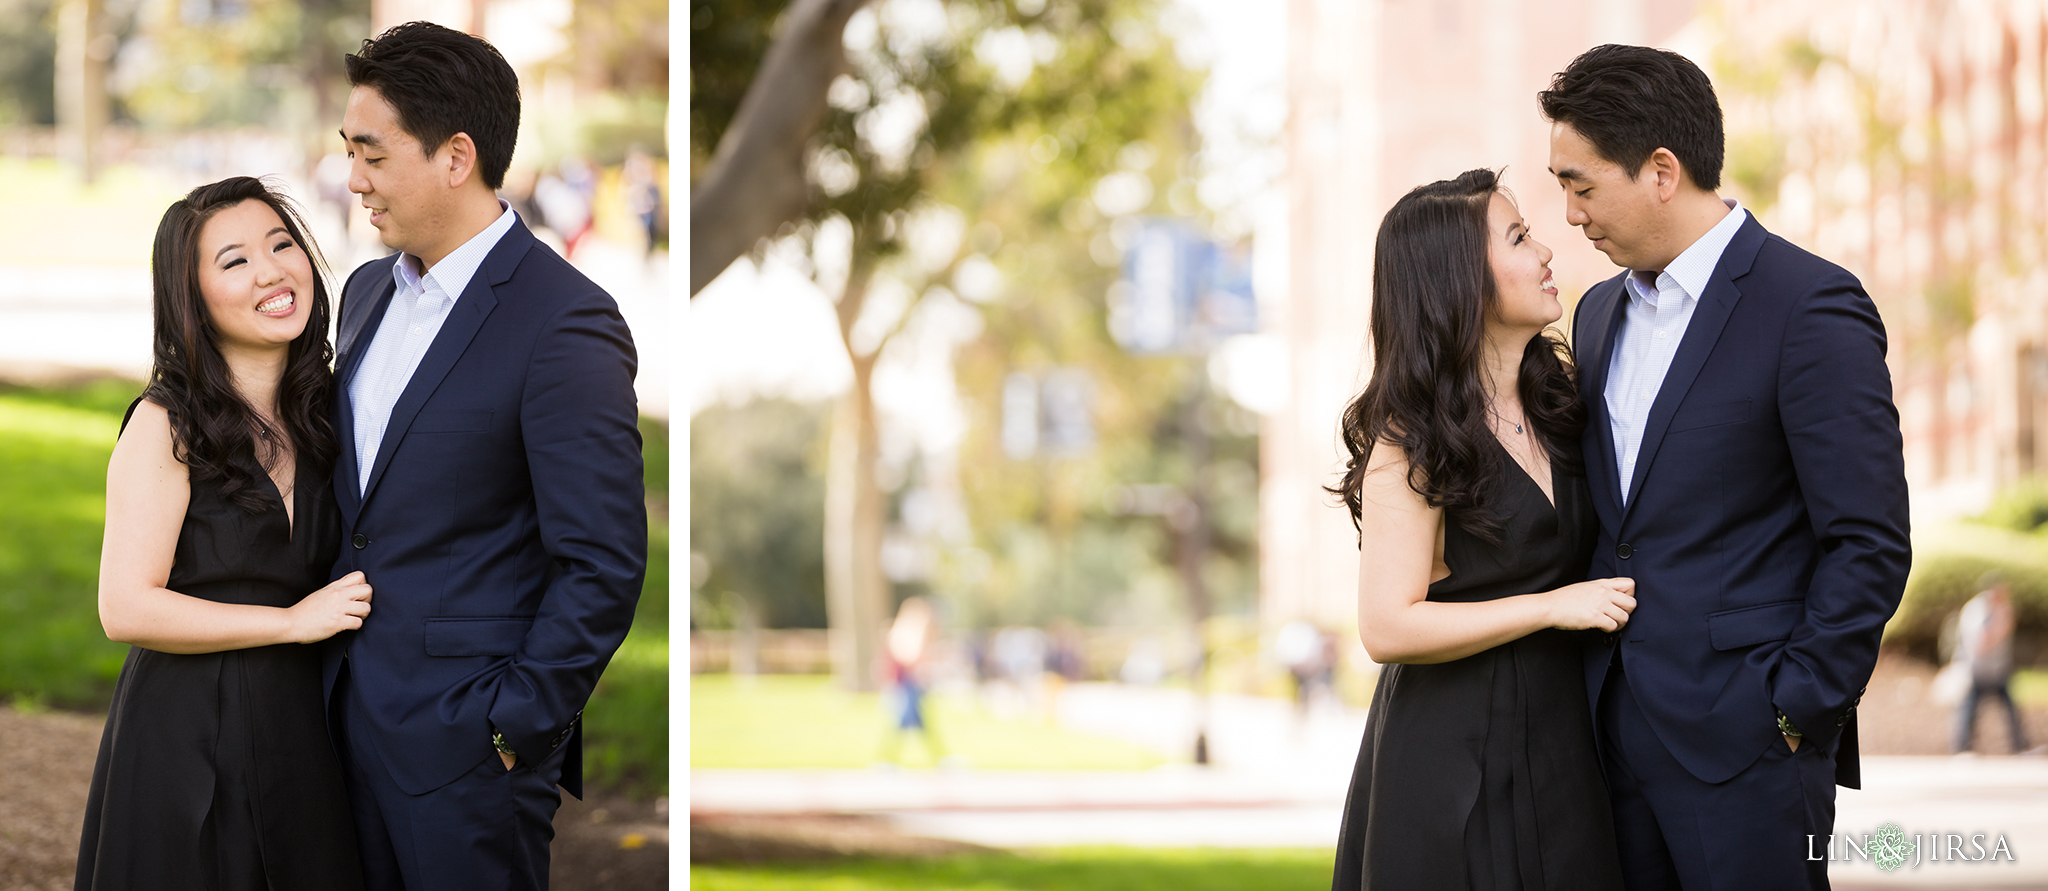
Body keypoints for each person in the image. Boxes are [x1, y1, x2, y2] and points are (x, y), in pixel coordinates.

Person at [1543, 44, 1912, 889]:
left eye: (1581, 184)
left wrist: (1794, 707)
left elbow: (1870, 540)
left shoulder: (1808, 305)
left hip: (1750, 749)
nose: (1568, 213)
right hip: (1609, 741)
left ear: (1662, 171)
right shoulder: (1597, 313)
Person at [328, 21, 646, 890]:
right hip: (334, 733)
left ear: (455, 156)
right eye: (348, 152)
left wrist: (512, 728)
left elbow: (603, 559)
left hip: (468, 763)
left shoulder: (563, 322)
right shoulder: (363, 294)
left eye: (373, 155)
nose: (353, 180)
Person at [1329, 168, 1635, 890]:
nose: (1547, 251)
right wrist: (1553, 606)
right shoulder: (1412, 438)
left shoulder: (1562, 404)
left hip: (1561, 740)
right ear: (1460, 278)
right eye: (1521, 236)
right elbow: (1387, 626)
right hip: (1451, 755)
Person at [77, 177, 367, 890]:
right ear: (192, 297)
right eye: (234, 261)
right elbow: (126, 607)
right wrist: (292, 621)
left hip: (300, 727)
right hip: (186, 732)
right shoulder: (165, 423)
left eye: (281, 243)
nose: (271, 269)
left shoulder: (329, 414)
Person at [1952, 572, 2030, 754]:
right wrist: (1999, 626)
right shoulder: (1977, 610)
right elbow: (1980, 644)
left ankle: (2019, 746)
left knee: (2011, 709)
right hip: (1977, 669)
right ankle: (1962, 748)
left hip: (1998, 669)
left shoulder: (2003, 608)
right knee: (1969, 709)